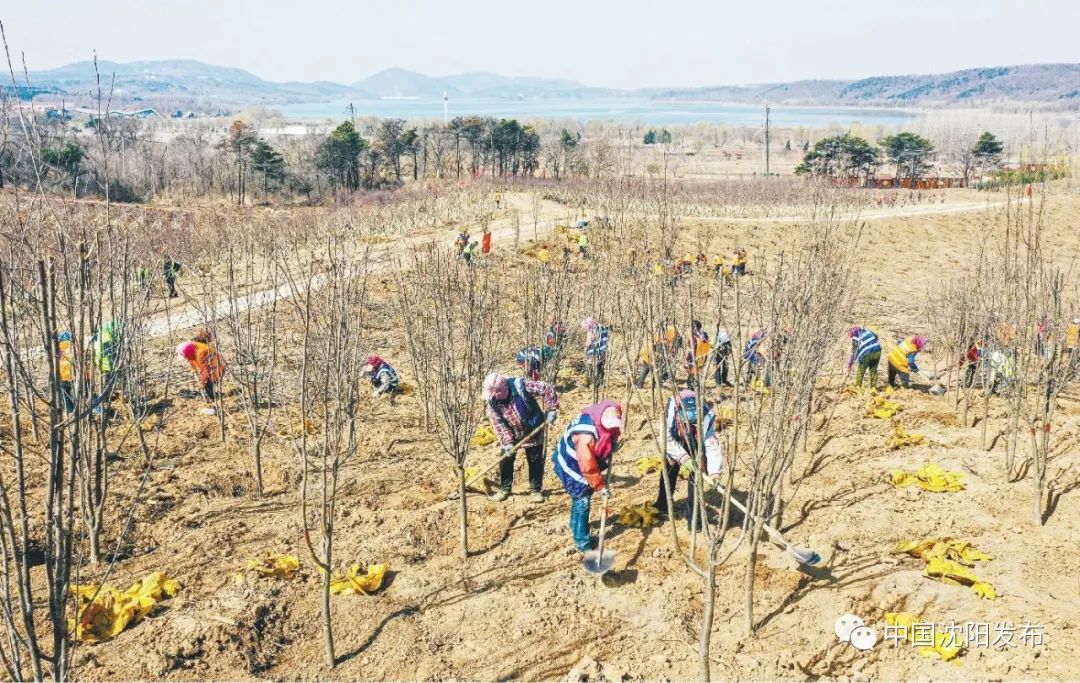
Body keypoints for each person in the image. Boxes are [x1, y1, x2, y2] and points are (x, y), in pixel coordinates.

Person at [551, 400, 623, 552]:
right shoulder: (587, 434)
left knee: (580, 498)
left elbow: (613, 431)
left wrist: (613, 441)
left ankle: (575, 524)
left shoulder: (609, 411)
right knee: (582, 501)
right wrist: (600, 486)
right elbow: (587, 466)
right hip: (571, 465)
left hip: (582, 463)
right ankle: (582, 542)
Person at [483, 372, 559, 503]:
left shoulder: (520, 386)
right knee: (506, 459)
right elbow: (498, 423)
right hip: (512, 433)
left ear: (502, 390)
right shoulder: (492, 402)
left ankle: (535, 490)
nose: (493, 397)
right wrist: (507, 442)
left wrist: (551, 408)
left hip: (534, 429)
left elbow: (546, 388)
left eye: (495, 393)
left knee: (535, 460)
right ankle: (505, 489)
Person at [654, 390, 724, 530]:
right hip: (675, 438)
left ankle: (694, 518)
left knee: (697, 474)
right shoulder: (670, 410)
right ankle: (662, 504)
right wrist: (683, 456)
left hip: (695, 438)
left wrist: (715, 472)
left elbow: (711, 445)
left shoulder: (706, 416)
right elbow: (666, 438)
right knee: (669, 469)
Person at [177, 332, 226, 414]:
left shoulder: (201, 354)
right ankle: (214, 398)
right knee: (207, 385)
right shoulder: (192, 349)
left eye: (185, 356)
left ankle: (215, 403)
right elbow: (191, 360)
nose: (185, 359)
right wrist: (193, 369)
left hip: (217, 368)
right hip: (210, 368)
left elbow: (206, 371)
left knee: (208, 385)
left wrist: (202, 383)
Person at [90, 321, 120, 415]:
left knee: (106, 378)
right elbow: (113, 350)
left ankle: (107, 395)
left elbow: (93, 342)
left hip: (98, 359)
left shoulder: (101, 330)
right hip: (107, 361)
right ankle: (106, 396)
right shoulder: (112, 334)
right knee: (109, 379)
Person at [582, 318, 610, 389]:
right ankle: (594, 382)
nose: (585, 329)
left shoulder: (594, 331)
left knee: (595, 367)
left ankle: (595, 383)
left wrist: (587, 350)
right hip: (598, 352)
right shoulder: (599, 329)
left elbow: (591, 342)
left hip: (596, 352)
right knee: (596, 366)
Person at [685, 321, 712, 389]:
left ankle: (692, 390)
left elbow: (703, 341)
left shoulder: (698, 336)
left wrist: (688, 362)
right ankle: (693, 389)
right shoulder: (702, 335)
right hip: (699, 358)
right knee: (694, 375)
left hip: (697, 359)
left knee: (693, 376)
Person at [56, 331, 76, 413]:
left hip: (64, 377)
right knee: (89, 397)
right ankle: (105, 412)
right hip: (80, 375)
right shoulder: (75, 346)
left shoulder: (57, 348)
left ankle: (72, 413)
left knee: (66, 398)